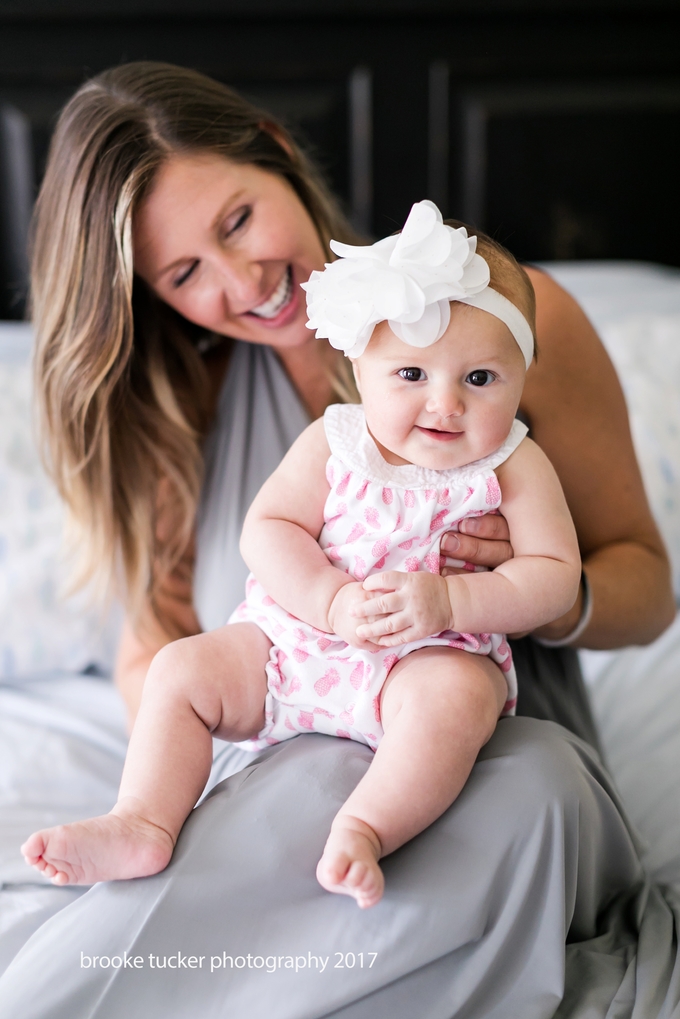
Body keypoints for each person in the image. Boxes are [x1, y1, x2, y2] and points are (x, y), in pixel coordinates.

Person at [0, 61, 677, 1017]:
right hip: (287, 730)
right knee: (133, 938)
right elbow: (154, 652)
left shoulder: (502, 324)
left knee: (535, 792)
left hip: (481, 740)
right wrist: (204, 749)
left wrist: (530, 591)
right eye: (186, 272)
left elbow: (649, 589)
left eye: (236, 221)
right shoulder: (183, 406)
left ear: (275, 151)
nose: (242, 280)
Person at [21, 204, 581, 908]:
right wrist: (330, 600)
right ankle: (142, 818)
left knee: (458, 701)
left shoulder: (516, 463)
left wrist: (452, 601)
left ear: (521, 373)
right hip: (295, 646)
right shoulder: (334, 442)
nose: (445, 404)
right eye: (410, 373)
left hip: (425, 658)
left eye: (479, 380)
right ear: (361, 364)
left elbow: (555, 576)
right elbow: (268, 528)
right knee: (180, 667)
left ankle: (366, 827)